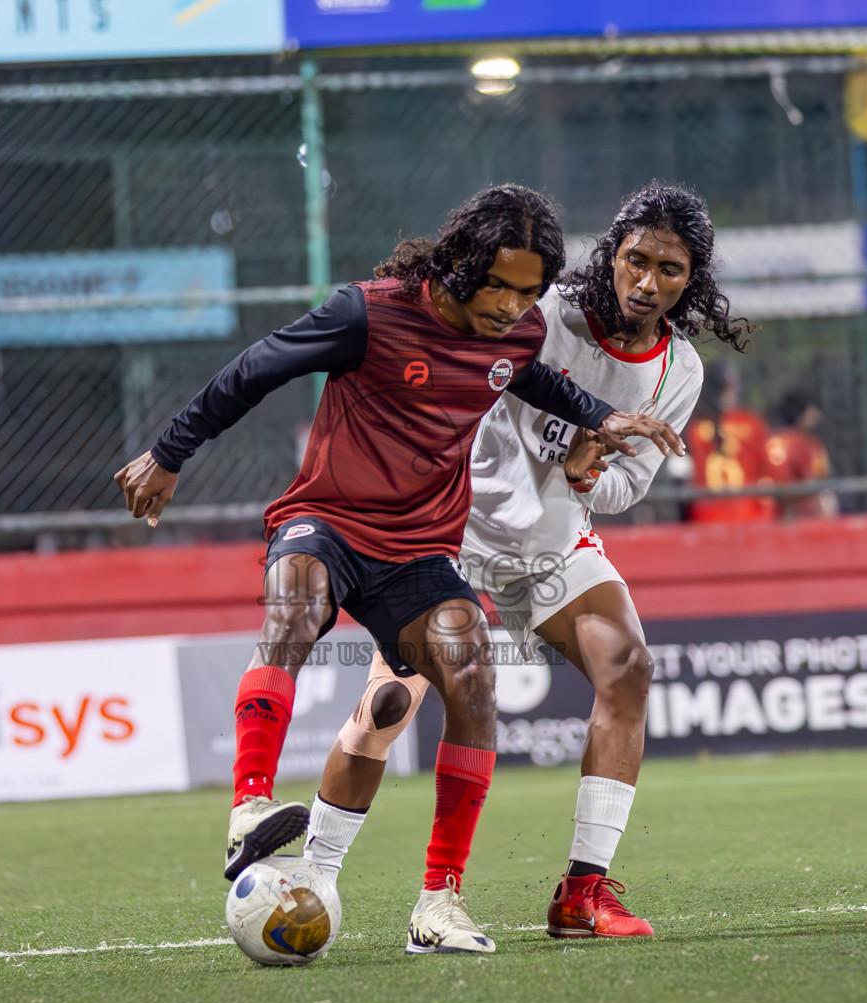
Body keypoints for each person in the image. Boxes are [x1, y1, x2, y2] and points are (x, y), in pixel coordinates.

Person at [114, 185, 683, 954]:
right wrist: (169, 452)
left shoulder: (517, 335)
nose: (512, 307)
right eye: (498, 286)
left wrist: (600, 418)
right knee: (296, 610)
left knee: (473, 673)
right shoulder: (368, 313)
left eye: (526, 292)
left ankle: (439, 903)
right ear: (458, 263)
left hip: (420, 547)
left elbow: (534, 377)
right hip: (329, 520)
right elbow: (254, 370)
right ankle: (251, 808)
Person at [300, 182, 754, 943]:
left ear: (692, 279)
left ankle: (581, 894)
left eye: (668, 270)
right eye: (635, 259)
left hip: (552, 547)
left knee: (629, 668)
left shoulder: (679, 372)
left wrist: (584, 469)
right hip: (454, 539)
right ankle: (314, 876)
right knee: (386, 709)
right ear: (611, 253)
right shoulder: (540, 319)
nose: (646, 282)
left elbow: (626, 486)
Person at [685, 361, 774, 522]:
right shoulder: (751, 423)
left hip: (705, 517)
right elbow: (766, 475)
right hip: (746, 514)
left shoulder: (695, 429)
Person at [766, 390, 838, 520]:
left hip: (771, 518)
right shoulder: (808, 446)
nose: (817, 416)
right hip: (804, 519)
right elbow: (819, 487)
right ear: (802, 414)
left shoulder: (767, 443)